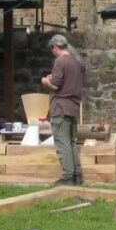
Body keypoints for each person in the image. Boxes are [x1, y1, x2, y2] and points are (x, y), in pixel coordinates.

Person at [41, 34, 84, 185]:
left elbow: (56, 85)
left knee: (62, 143)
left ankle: (67, 178)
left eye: (51, 49)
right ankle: (77, 176)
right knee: (72, 142)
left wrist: (46, 81)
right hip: (73, 107)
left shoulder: (60, 61)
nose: (51, 51)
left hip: (61, 107)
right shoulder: (76, 62)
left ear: (55, 47)